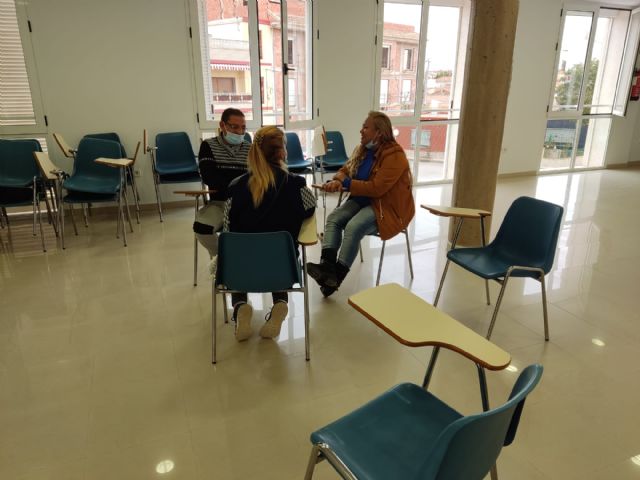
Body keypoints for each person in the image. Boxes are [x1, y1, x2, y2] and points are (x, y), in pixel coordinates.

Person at [222, 126, 316, 341]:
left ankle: (240, 306)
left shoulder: (236, 187)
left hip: (242, 268)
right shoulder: (296, 184)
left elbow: (226, 227)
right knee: (278, 252)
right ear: (282, 151)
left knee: (239, 255)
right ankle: (280, 304)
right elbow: (310, 208)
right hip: (282, 267)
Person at [307, 111, 415, 297]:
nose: (361, 130)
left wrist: (346, 184)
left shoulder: (395, 156)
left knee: (353, 226)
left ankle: (335, 279)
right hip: (363, 200)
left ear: (379, 132)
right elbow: (346, 169)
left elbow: (377, 189)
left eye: (366, 127)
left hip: (386, 207)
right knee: (334, 218)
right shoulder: (363, 149)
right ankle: (327, 268)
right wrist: (338, 180)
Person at [194, 108, 251, 256]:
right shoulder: (208, 146)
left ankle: (245, 260)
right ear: (222, 125)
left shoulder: (251, 149)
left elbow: (257, 177)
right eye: (234, 126)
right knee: (202, 228)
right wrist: (238, 186)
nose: (239, 132)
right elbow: (209, 177)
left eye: (243, 127)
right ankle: (223, 257)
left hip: (246, 203)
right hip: (219, 203)